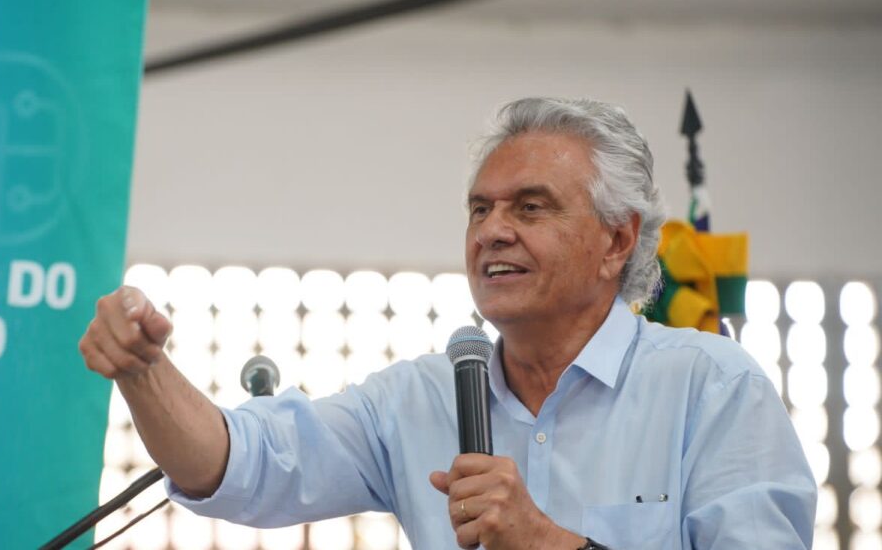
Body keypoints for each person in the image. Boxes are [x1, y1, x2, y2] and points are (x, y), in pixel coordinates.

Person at [79, 97, 816, 549]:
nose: (492, 231)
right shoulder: (417, 399)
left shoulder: (712, 387)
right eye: (479, 209)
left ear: (617, 241)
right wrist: (144, 373)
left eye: (530, 207)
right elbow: (243, 466)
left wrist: (550, 545)